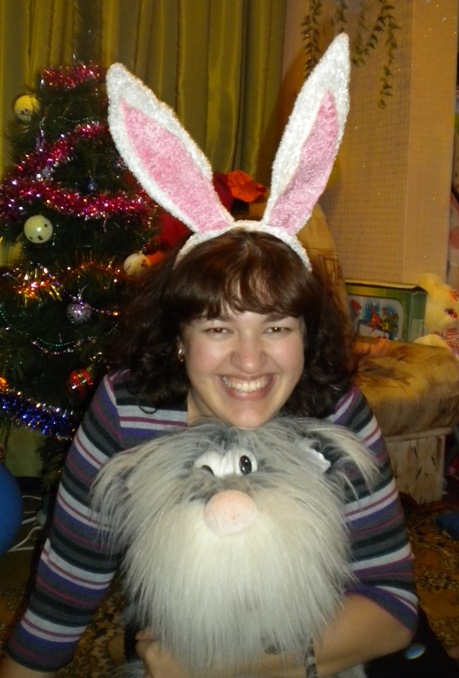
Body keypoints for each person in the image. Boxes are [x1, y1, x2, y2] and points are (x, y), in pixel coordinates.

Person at [1, 33, 456, 677]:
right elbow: (63, 594)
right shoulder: (127, 410)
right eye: (218, 327)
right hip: (183, 627)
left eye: (276, 327)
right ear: (177, 335)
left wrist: (234, 666)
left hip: (319, 635)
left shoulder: (335, 409)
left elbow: (391, 606)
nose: (249, 362)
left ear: (307, 334)